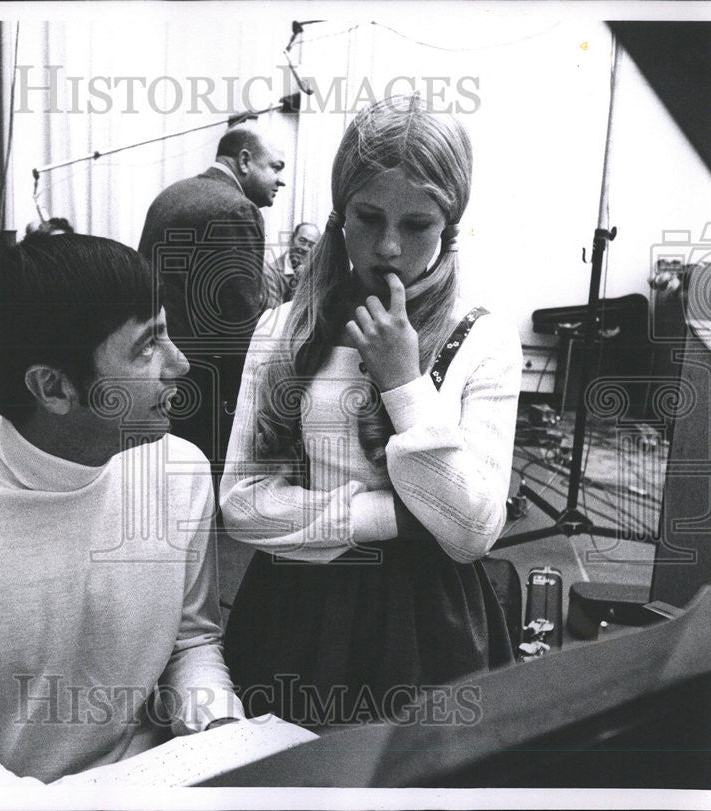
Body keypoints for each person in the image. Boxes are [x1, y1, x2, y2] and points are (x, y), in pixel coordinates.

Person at [0, 233, 244, 785]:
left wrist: (219, 731)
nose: (180, 363)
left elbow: (190, 640)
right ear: (53, 387)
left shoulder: (181, 472)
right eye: (148, 346)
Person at [220, 95, 521, 727]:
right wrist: (392, 517)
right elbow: (242, 504)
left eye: (417, 226)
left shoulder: (484, 339)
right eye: (368, 217)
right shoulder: (283, 329)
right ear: (340, 214)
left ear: (450, 225)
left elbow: (473, 532)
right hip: (295, 608)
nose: (387, 247)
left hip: (426, 620)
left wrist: (404, 383)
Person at [138, 125, 285, 472]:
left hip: (157, 376)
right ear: (245, 161)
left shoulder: (169, 196)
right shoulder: (238, 210)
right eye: (275, 167)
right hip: (209, 394)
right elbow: (237, 325)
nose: (281, 181)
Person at [262, 221, 321, 308]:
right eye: (302, 241)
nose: (305, 248)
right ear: (292, 239)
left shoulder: (315, 274)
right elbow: (274, 314)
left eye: (311, 245)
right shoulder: (270, 273)